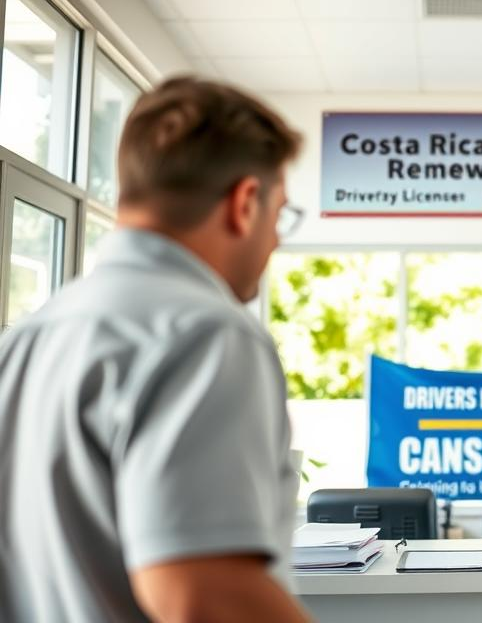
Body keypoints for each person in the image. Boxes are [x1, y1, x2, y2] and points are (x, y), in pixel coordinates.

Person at [0, 77, 311, 622]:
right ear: (244, 203)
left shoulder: (25, 341)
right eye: (280, 213)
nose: (277, 240)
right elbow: (202, 597)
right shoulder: (206, 334)